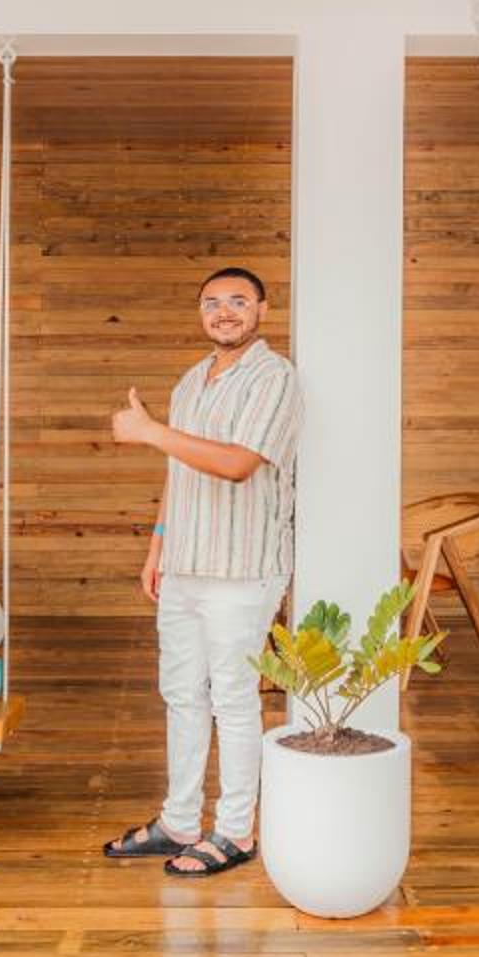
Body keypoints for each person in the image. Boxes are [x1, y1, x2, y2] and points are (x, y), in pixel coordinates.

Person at [100, 264, 300, 879]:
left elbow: (238, 464)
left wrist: (151, 432)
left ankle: (236, 832)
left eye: (239, 300)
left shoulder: (275, 377)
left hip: (242, 568)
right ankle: (180, 822)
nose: (224, 312)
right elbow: (179, 471)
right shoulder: (191, 381)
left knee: (233, 698)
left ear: (262, 310)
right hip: (184, 564)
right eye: (212, 303)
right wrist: (157, 546)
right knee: (182, 694)